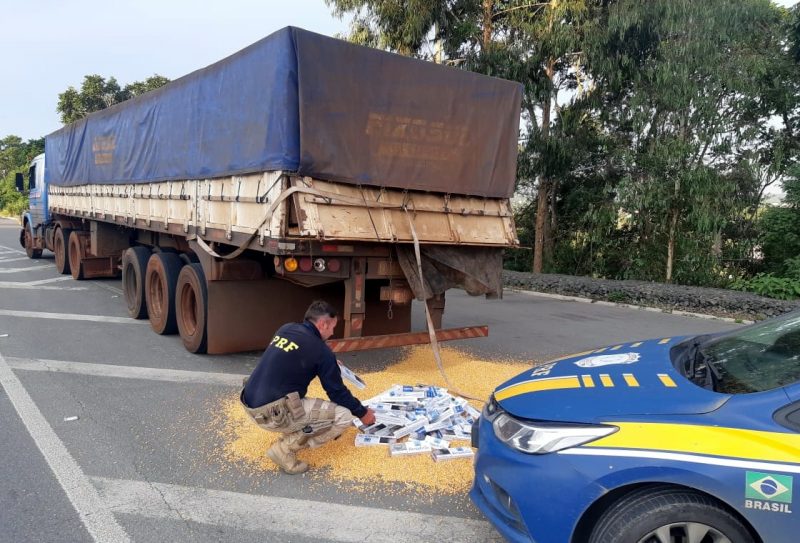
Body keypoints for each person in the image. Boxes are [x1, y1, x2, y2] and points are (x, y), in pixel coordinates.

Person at [240, 300, 376, 474]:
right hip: (274, 415)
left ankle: (292, 432)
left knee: (293, 395)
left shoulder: (286, 329)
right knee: (343, 416)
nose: (332, 332)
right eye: (332, 327)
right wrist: (362, 413)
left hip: (251, 405)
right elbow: (337, 393)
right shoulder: (321, 351)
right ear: (323, 324)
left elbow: (292, 358)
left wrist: (330, 364)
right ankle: (284, 450)